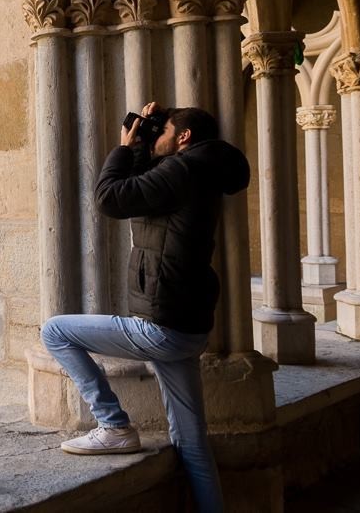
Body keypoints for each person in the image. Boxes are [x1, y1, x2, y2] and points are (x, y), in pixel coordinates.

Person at [40, 102, 250, 513]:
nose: (157, 137)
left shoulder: (181, 171)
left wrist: (124, 148)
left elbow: (110, 198)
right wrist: (143, 147)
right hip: (189, 328)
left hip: (162, 326)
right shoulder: (200, 171)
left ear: (184, 137)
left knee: (55, 331)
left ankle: (114, 425)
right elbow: (142, 190)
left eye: (163, 130)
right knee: (191, 441)